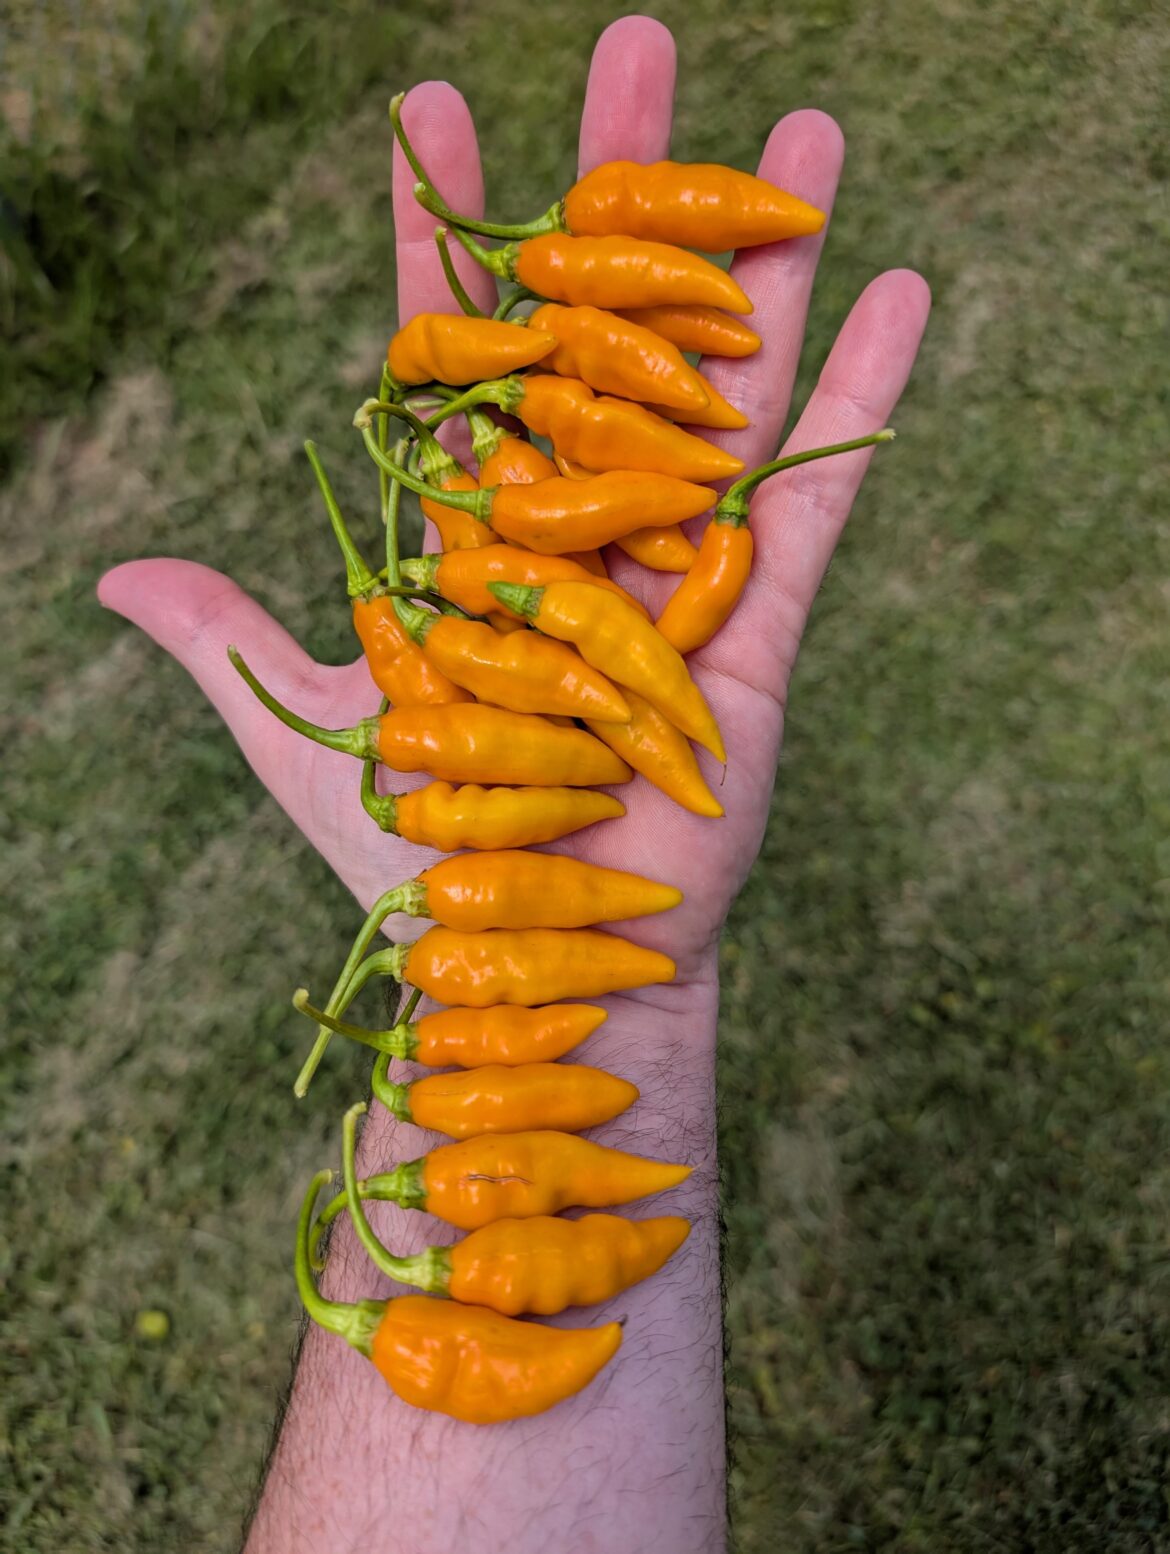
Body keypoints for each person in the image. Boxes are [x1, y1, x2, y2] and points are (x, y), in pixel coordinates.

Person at [99, 17, 929, 1553]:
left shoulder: (523, 525)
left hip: (487, 821)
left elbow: (576, 612)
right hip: (486, 824)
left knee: (671, 480)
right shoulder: (483, 647)